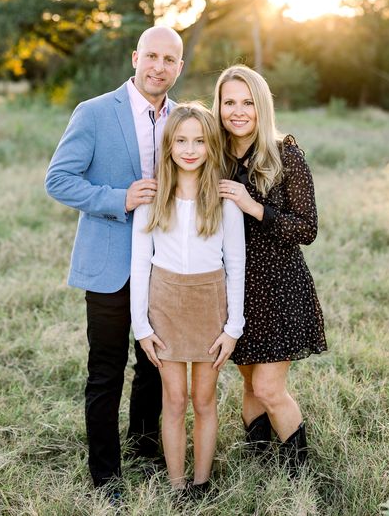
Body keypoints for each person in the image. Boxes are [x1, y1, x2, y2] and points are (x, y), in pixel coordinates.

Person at [45, 26, 184, 491]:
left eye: (169, 60)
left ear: (179, 68)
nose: (159, 67)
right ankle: (105, 475)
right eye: (152, 57)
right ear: (135, 57)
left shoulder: (186, 119)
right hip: (110, 261)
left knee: (155, 365)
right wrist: (118, 197)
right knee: (106, 370)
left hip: (167, 263)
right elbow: (59, 180)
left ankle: (145, 446)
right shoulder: (95, 112)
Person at [213, 65, 327, 476]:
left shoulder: (285, 154)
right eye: (229, 102)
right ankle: (262, 466)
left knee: (268, 387)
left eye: (247, 102)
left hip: (279, 286)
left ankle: (300, 474)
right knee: (248, 384)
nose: (238, 111)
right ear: (219, 106)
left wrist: (253, 206)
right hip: (236, 289)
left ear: (261, 107)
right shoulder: (216, 155)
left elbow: (307, 227)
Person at [130, 103, 246, 496]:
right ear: (169, 146)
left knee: (204, 398)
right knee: (175, 399)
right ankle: (177, 484)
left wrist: (233, 328)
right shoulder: (153, 197)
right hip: (164, 306)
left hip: (209, 306)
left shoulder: (224, 200)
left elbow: (236, 264)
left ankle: (201, 482)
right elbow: (140, 264)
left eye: (199, 141)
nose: (190, 149)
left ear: (212, 146)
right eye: (181, 140)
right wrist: (141, 327)